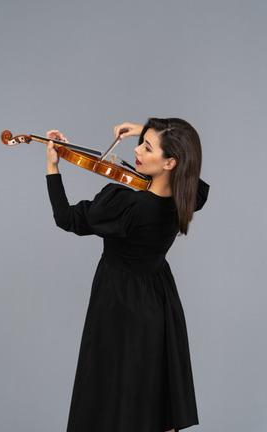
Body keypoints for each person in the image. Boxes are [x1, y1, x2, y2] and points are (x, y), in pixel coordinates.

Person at [46, 118, 210, 432]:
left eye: (147, 148)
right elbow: (192, 175)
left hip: (118, 302)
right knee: (153, 396)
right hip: (159, 302)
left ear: (170, 162)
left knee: (111, 394)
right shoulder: (186, 197)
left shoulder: (128, 206)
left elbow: (65, 217)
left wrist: (54, 165)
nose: (136, 151)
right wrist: (148, 131)